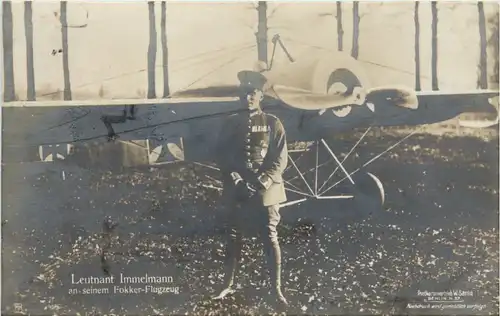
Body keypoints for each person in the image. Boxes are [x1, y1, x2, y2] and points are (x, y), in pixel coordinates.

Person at [213, 70, 289, 307]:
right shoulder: (230, 123)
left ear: (261, 96)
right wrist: (236, 179)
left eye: (253, 93)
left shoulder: (273, 124)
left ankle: (276, 290)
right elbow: (222, 155)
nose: (248, 97)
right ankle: (227, 285)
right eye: (245, 93)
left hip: (266, 188)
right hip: (238, 187)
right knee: (234, 235)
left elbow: (280, 159)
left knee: (270, 236)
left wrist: (262, 182)